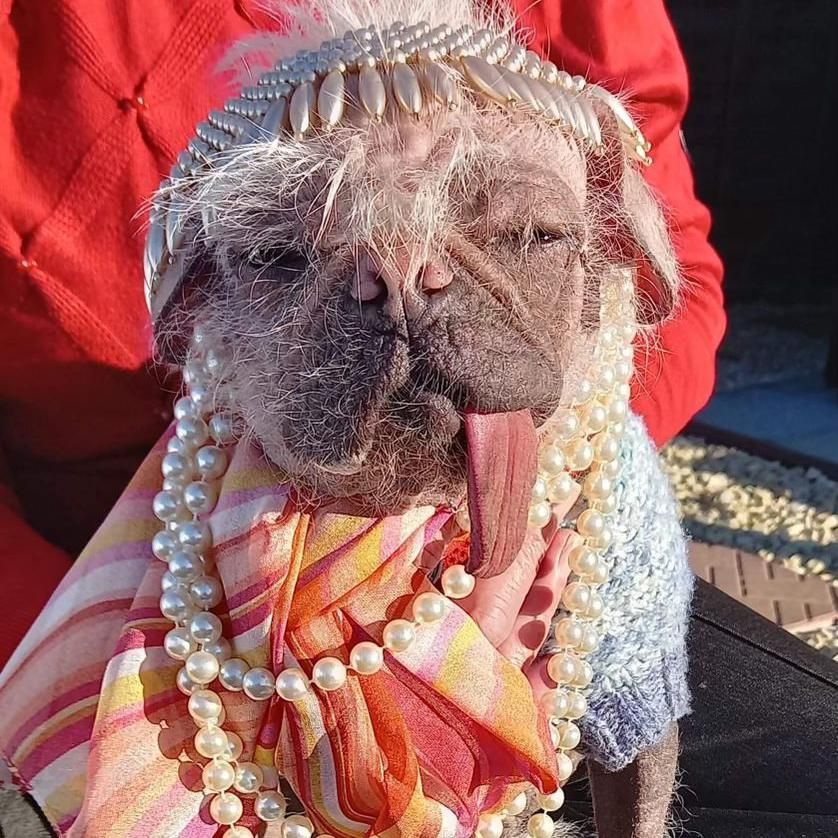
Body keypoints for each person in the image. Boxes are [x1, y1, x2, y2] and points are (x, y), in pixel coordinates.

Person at [2, 2, 835, 838]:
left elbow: (674, 244)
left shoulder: (605, 500)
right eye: (282, 256)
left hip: (542, 528)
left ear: (618, 251)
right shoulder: (201, 511)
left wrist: (527, 479)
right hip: (134, 557)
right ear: (193, 308)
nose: (403, 289)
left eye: (523, 234)